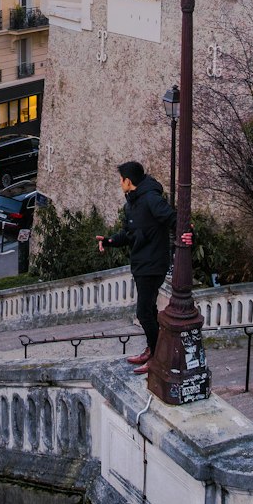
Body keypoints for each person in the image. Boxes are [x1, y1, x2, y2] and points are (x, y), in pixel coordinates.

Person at [98, 160, 175, 374]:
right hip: (142, 264)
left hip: (154, 264)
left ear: (128, 181)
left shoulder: (151, 199)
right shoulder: (131, 203)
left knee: (143, 313)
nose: (120, 183)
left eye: (121, 180)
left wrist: (186, 234)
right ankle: (153, 349)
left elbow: (172, 218)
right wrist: (109, 241)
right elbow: (130, 234)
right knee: (149, 309)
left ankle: (158, 356)